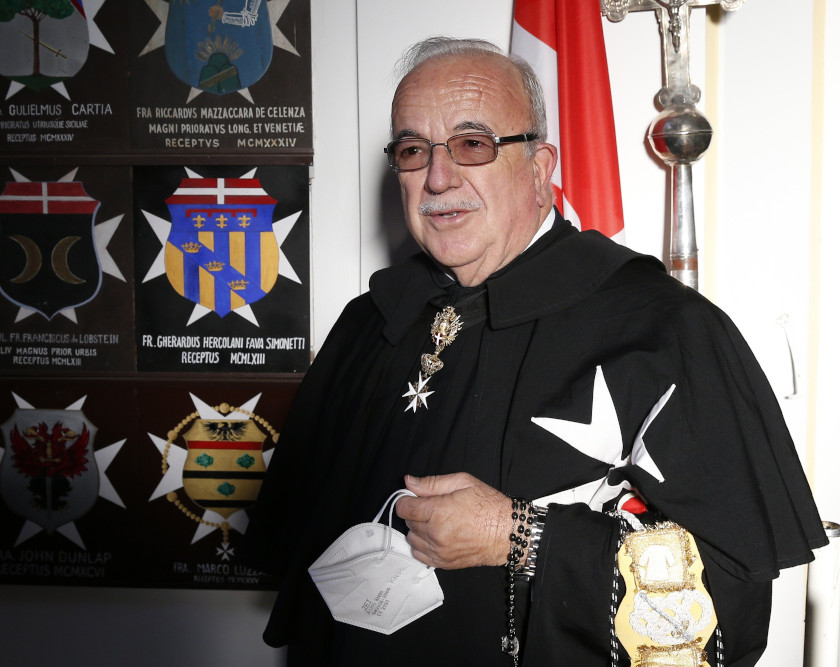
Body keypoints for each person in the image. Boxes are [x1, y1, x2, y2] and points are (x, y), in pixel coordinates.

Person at [242, 36, 826, 666]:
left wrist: (518, 536)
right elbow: (298, 552)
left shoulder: (664, 328)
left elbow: (732, 603)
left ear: (541, 165)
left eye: (473, 144)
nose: (438, 177)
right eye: (413, 150)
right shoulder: (369, 324)